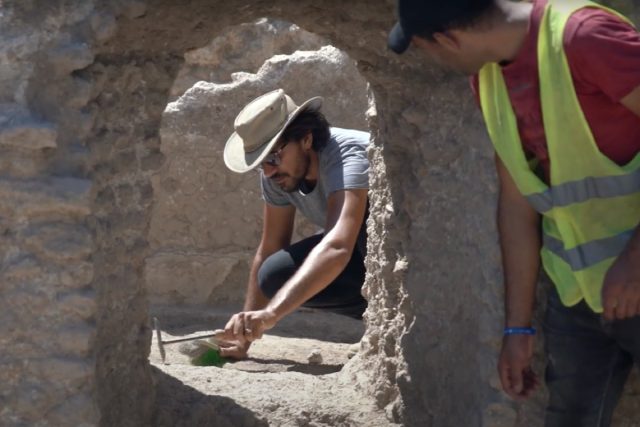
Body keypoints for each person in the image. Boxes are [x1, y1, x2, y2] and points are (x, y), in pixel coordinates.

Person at [388, 0, 640, 425]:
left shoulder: (584, 36)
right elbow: (517, 204)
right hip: (577, 290)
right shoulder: (488, 79)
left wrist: (635, 260)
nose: (431, 60)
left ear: (449, 38)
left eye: (425, 48)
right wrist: (517, 329)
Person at [217, 88, 370, 359]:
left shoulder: (347, 155)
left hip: (409, 254)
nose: (268, 172)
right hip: (355, 254)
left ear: (306, 139)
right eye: (260, 163)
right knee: (274, 273)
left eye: (273, 158)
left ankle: (391, 316)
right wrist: (245, 333)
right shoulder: (276, 174)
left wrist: (271, 314)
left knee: (365, 233)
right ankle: (381, 319)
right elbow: (271, 246)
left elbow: (337, 246)